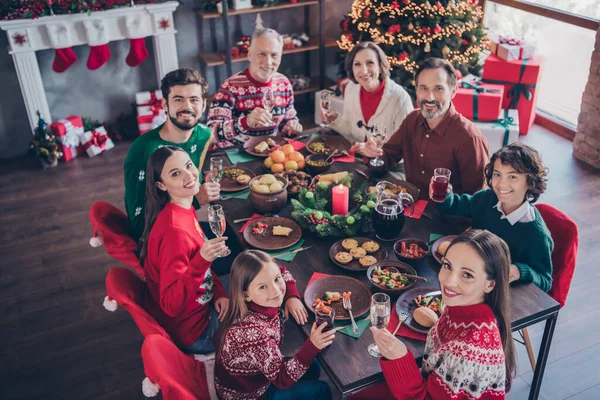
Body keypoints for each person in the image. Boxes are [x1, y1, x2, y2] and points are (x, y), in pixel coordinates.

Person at [369, 230, 516, 399]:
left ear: (490, 285)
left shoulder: (468, 350)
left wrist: (400, 359)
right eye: (447, 266)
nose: (449, 281)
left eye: (467, 275)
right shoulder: (460, 308)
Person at [139, 146, 230, 354]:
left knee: (251, 275)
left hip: (205, 302)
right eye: (175, 173)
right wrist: (202, 259)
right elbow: (170, 304)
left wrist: (220, 292)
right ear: (161, 185)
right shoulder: (174, 233)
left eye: (188, 166)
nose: (189, 175)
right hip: (197, 332)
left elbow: (203, 269)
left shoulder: (182, 208)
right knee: (264, 301)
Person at [431, 143, 553, 292]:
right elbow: (456, 206)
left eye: (512, 176)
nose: (502, 183)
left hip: (500, 293)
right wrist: (445, 196)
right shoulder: (487, 198)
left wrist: (520, 270)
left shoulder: (536, 234)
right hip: (469, 276)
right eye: (497, 174)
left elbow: (545, 280)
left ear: (530, 182)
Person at [214, 250, 334, 400]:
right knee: (322, 389)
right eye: (262, 287)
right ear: (246, 294)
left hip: (258, 374)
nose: (276, 290)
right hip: (251, 395)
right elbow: (282, 379)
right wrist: (312, 345)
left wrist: (291, 295)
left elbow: (282, 270)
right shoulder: (253, 334)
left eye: (276, 279)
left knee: (314, 367)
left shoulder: (252, 301)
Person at [362, 58, 489, 197]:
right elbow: (385, 160)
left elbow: (478, 201)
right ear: (416, 90)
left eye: (438, 89)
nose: (429, 97)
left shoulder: (469, 138)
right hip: (410, 206)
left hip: (446, 217)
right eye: (423, 88)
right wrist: (373, 154)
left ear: (453, 91)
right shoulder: (412, 120)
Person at [124, 68, 220, 241]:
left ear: (204, 105)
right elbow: (138, 221)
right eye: (178, 99)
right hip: (161, 242)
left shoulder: (204, 135)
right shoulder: (142, 150)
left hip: (190, 224)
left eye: (194, 100)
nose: (187, 107)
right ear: (165, 104)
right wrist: (197, 199)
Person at [207, 28, 303, 148]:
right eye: (262, 54)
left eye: (274, 55)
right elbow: (210, 134)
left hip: (270, 151)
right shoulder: (230, 86)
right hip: (235, 154)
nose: (268, 62)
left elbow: (289, 119)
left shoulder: (284, 83)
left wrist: (292, 125)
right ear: (250, 55)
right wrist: (245, 122)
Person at [326, 41, 413, 151]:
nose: (364, 70)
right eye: (357, 64)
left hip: (390, 165)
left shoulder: (400, 98)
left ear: (380, 66)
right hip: (359, 159)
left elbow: (407, 145)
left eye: (370, 63)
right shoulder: (351, 88)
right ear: (352, 69)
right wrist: (336, 120)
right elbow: (351, 132)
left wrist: (369, 149)